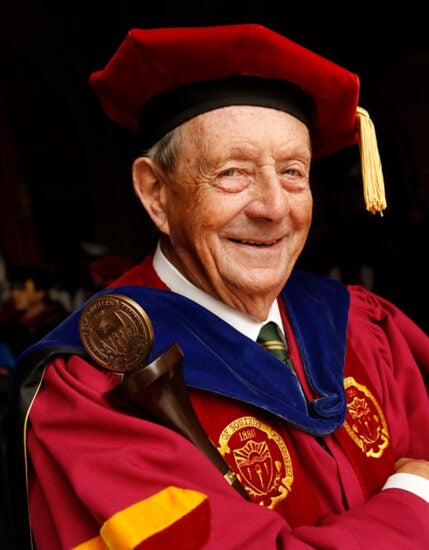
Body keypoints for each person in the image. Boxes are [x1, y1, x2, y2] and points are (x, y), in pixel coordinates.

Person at [7, 23, 429, 549]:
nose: (274, 207)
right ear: (155, 193)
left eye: (294, 172)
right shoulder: (91, 385)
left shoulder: (364, 326)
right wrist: (414, 496)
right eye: (233, 172)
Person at [0, 264, 68, 360]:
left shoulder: (58, 322)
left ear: (39, 294)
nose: (14, 294)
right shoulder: (9, 323)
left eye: (21, 289)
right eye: (14, 289)